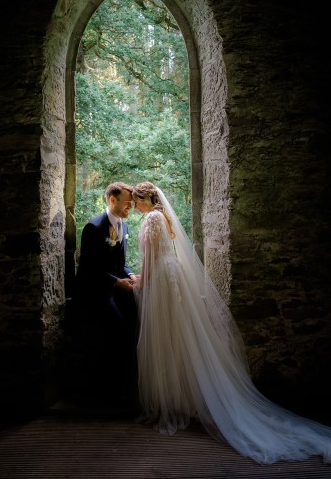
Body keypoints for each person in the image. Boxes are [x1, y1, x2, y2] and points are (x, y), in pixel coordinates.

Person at [131, 181, 331, 465]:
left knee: (167, 337)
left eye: (136, 201)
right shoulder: (162, 215)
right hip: (171, 273)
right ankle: (184, 398)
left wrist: (142, 281)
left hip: (161, 276)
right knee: (177, 336)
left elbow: (150, 257)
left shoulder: (151, 217)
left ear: (144, 199)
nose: (135, 207)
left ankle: (174, 401)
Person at [74, 181, 139, 406]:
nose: (131, 207)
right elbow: (88, 269)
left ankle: (127, 387)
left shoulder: (125, 227)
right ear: (112, 199)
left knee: (135, 320)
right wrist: (115, 282)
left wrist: (130, 276)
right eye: (127, 203)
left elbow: (121, 263)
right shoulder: (93, 227)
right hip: (95, 291)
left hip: (116, 287)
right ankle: (109, 391)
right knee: (118, 327)